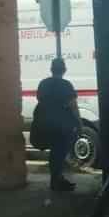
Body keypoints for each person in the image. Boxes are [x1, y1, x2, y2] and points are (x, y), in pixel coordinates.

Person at [36, 58, 81, 192]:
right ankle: (56, 181)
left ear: (51, 69)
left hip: (45, 122)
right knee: (60, 152)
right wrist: (79, 123)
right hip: (61, 125)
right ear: (64, 70)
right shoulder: (66, 85)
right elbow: (73, 106)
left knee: (55, 153)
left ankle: (56, 179)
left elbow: (39, 99)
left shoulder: (43, 83)